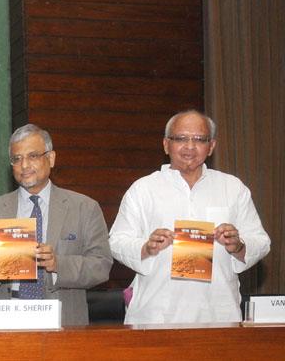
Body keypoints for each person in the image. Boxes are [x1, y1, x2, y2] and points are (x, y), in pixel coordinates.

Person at [109, 110, 270, 324]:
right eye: (181, 138)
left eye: (199, 139)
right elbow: (117, 242)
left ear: (211, 146)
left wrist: (238, 245)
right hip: (156, 315)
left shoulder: (232, 188)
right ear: (166, 144)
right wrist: (147, 247)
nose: (190, 147)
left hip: (219, 314)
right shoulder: (143, 189)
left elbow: (261, 242)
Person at [0, 124, 112, 326]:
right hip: (4, 324)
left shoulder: (84, 208)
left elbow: (101, 265)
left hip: (63, 323)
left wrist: (58, 265)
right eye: (17, 159)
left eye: (33, 156)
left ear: (51, 158)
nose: (24, 165)